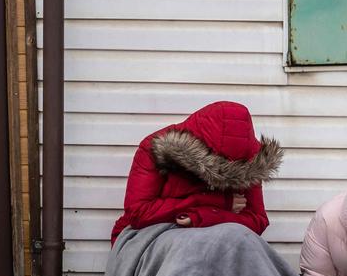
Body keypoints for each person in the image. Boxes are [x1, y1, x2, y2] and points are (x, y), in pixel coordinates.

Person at [110, 101, 283, 244]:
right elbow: (138, 212)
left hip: (219, 240)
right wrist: (215, 202)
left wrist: (205, 216)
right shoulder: (155, 148)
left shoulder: (248, 158)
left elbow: (257, 219)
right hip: (149, 234)